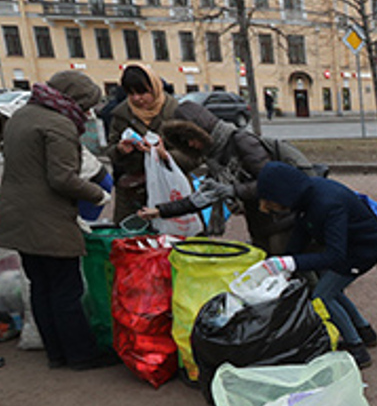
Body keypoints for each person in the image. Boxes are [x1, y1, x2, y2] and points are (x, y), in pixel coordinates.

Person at [0, 70, 117, 369]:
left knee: (41, 286)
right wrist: (97, 194)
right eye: (86, 105)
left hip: (17, 217)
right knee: (67, 289)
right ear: (73, 100)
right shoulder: (59, 125)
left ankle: (57, 353)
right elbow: (62, 178)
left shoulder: (22, 116)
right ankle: (80, 354)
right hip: (48, 221)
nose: (88, 112)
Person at [248, 161, 377, 369]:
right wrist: (287, 261)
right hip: (351, 247)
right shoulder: (307, 196)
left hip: (361, 251)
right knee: (333, 289)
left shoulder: (327, 203)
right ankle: (365, 331)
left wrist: (290, 262)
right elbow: (302, 232)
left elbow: (335, 256)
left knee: (322, 296)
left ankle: (356, 347)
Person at [136, 103, 315, 253]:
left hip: (283, 221)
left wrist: (233, 190)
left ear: (202, 130)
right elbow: (201, 198)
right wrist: (160, 211)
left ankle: (325, 296)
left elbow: (272, 183)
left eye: (190, 137)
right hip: (260, 225)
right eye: (184, 141)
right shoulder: (215, 158)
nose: (190, 144)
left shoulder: (242, 141)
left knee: (296, 273)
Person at [104, 64, 182, 224]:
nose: (136, 98)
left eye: (142, 92)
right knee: (131, 241)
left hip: (170, 190)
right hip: (132, 193)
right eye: (130, 93)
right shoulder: (121, 114)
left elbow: (194, 157)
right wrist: (120, 150)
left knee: (172, 241)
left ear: (155, 88)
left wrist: (165, 155)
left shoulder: (176, 111)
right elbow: (111, 152)